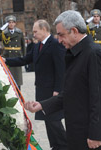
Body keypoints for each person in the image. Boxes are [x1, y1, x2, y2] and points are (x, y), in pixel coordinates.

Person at [25, 10, 101, 150]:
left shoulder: (94, 54)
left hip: (94, 138)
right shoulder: (75, 53)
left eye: (61, 35)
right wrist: (42, 105)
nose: (59, 40)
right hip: (80, 133)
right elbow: (71, 92)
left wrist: (96, 134)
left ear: (74, 31)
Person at [4, 19, 67, 150]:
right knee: (48, 120)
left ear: (44, 29)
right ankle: (56, 145)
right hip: (42, 89)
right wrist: (6, 61)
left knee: (54, 120)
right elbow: (25, 59)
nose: (33, 34)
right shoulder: (38, 45)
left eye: (35, 31)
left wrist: (58, 89)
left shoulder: (55, 44)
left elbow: (61, 69)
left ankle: (64, 145)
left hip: (52, 91)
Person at [0, 15, 25, 89]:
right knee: (9, 79)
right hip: (8, 56)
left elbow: (23, 45)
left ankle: (19, 96)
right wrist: (0, 30)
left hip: (17, 56)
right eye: (9, 22)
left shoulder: (19, 32)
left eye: (12, 22)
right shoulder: (4, 33)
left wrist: (24, 57)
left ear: (15, 23)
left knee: (17, 79)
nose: (11, 24)